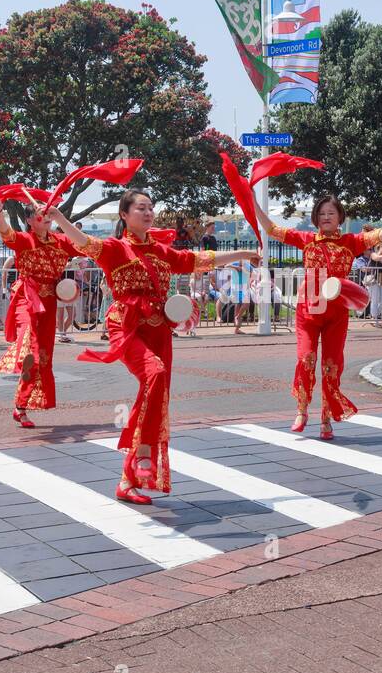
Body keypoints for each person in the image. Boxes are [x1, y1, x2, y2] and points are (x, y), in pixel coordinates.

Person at [48, 190, 259, 504]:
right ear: (124, 215)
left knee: (156, 394)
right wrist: (59, 218)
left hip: (160, 329)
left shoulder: (162, 252)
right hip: (128, 326)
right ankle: (143, 454)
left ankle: (127, 480)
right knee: (155, 374)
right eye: (140, 208)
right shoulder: (114, 248)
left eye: (150, 208)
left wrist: (243, 255)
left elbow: (201, 260)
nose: (147, 213)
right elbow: (82, 242)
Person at [253, 196, 382, 438]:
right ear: (316, 217)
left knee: (331, 365)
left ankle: (326, 419)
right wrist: (253, 201)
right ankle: (302, 409)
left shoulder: (351, 242)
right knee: (306, 358)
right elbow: (272, 229)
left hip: (336, 313)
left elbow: (378, 235)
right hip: (308, 311)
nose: (326, 217)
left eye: (331, 214)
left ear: (340, 218)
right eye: (322, 213)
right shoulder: (306, 239)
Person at [0, 196, 80, 426]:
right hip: (27, 296)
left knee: (42, 358)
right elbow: (6, 233)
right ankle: (24, 355)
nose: (46, 217)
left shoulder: (60, 241)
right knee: (30, 342)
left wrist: (61, 217)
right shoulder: (24, 239)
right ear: (30, 220)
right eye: (41, 213)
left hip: (49, 302)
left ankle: (20, 406)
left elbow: (86, 245)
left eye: (49, 214)